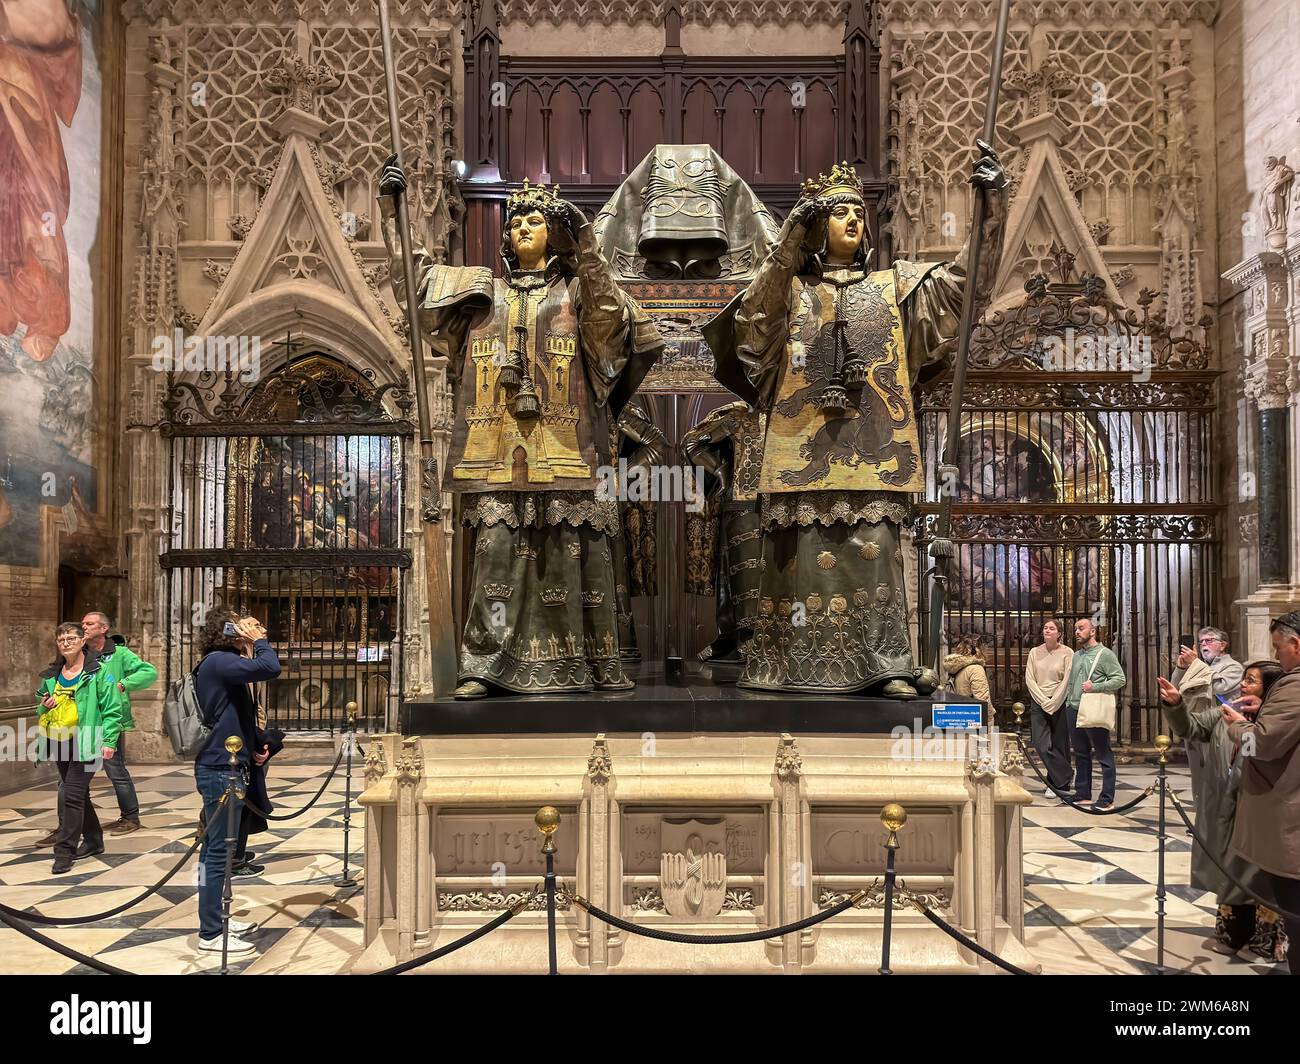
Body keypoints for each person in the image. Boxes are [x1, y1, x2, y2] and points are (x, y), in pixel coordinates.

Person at [1158, 659, 1283, 959]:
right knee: (1228, 871)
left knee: (1258, 876)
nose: (1243, 685)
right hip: (1222, 805)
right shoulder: (1225, 711)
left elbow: (1257, 751)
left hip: (1257, 808)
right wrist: (1176, 705)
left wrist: (1241, 726)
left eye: (1251, 681)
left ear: (1269, 688)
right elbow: (1190, 728)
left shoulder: (1275, 721)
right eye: (1244, 679)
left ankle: (1266, 937)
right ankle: (1232, 931)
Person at [193, 609, 281, 955]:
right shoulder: (217, 661)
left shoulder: (226, 665)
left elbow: (236, 717)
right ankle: (211, 933)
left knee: (221, 849)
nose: (250, 626)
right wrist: (259, 641)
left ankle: (218, 917)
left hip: (229, 765)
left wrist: (257, 744)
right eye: (239, 622)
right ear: (228, 630)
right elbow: (269, 668)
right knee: (216, 852)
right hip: (218, 770)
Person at [1221, 612, 1300, 975]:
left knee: (1295, 916)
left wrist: (1239, 728)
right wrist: (1264, 711)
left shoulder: (1294, 684)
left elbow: (1262, 745)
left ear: (1295, 645)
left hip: (1289, 821)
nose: (1278, 656)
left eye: (1278, 649)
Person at [37, 611, 157, 843]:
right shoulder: (79, 656)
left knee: (115, 771)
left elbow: (149, 672)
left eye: (90, 623)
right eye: (82, 623)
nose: (85, 626)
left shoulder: (118, 653)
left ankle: (130, 817)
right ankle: (68, 827)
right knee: (69, 782)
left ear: (103, 628)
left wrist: (123, 684)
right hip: (76, 727)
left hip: (106, 724)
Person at [35, 622, 125, 874]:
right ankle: (94, 840)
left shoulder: (99, 671)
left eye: (71, 638)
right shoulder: (52, 674)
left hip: (88, 739)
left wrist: (109, 741)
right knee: (78, 794)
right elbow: (39, 705)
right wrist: (45, 704)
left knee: (71, 795)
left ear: (82, 641)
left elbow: (112, 708)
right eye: (61, 639)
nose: (66, 643)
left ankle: (64, 851)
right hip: (59, 738)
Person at [1062, 618, 1126, 811]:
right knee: (1081, 753)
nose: (1077, 632)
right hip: (1074, 707)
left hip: (1093, 708)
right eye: (1075, 629)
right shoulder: (1076, 655)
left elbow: (1119, 679)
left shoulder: (1104, 654)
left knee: (1103, 753)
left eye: (1081, 628)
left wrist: (1095, 686)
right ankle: (1083, 793)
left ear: (1093, 632)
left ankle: (1107, 798)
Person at [1024, 619, 1075, 792]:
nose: (1047, 630)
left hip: (1059, 701)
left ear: (1059, 633)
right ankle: (1066, 772)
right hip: (1039, 701)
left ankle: (1058, 783)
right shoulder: (1034, 652)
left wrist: (1054, 701)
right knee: (1040, 744)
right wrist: (1043, 700)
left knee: (1060, 743)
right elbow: (1030, 678)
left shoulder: (1068, 653)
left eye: (1051, 628)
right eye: (1045, 627)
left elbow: (1068, 679)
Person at [1172, 625, 1243, 703]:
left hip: (1220, 714)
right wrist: (1181, 668)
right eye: (1201, 641)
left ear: (1222, 645)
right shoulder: (1199, 666)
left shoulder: (1234, 667)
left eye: (1209, 640)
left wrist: (1195, 664)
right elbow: (1175, 689)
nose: (1203, 644)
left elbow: (1218, 688)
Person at [944, 634, 992, 704]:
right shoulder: (976, 669)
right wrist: (990, 714)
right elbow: (983, 700)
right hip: (972, 712)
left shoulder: (957, 667)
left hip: (959, 710)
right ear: (978, 649)